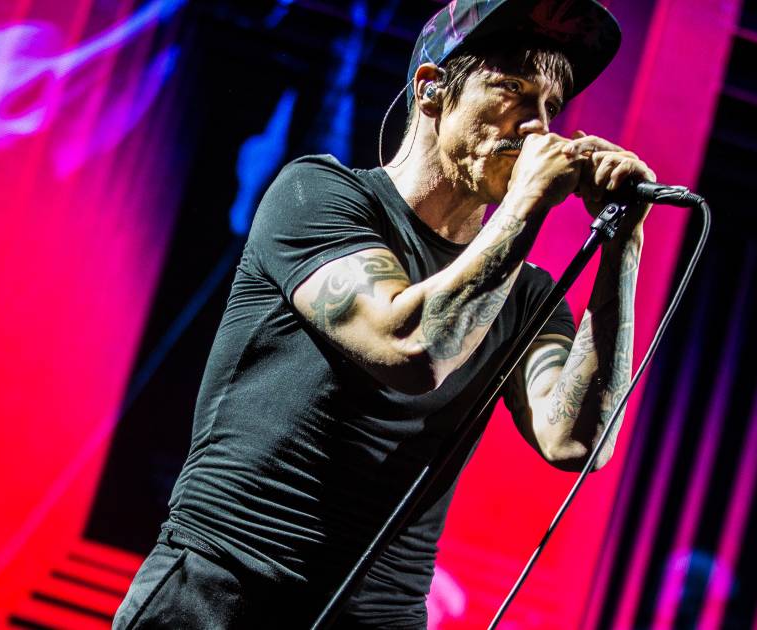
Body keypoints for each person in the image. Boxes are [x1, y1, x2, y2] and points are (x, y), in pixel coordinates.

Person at [114, 0, 652, 627]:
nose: (537, 126)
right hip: (221, 592)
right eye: (512, 88)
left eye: (550, 107)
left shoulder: (527, 294)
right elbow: (409, 348)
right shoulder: (318, 194)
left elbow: (576, 442)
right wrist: (527, 203)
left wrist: (625, 242)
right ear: (431, 89)